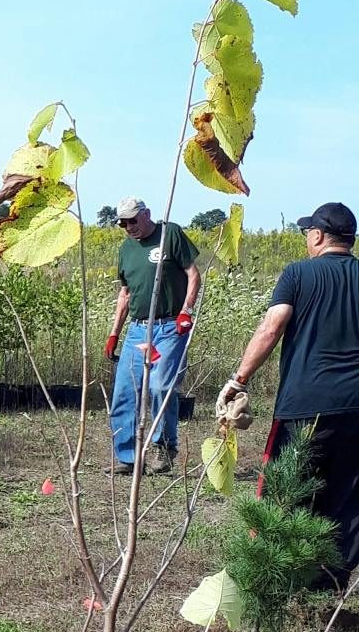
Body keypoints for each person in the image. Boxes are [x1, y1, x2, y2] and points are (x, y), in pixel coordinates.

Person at [221, 201, 359, 587]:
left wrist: (239, 379)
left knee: (283, 494)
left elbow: (271, 327)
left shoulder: (298, 274)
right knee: (346, 500)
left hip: (305, 404)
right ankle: (326, 587)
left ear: (317, 236)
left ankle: (269, 585)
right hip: (356, 408)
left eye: (307, 234)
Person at [105, 198, 201, 474]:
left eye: (132, 220)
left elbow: (193, 274)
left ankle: (164, 446)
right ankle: (128, 457)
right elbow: (125, 294)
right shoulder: (125, 250)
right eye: (122, 223)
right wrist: (114, 334)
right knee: (124, 391)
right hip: (137, 328)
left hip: (171, 326)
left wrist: (187, 311)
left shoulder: (170, 233)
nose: (128, 227)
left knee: (160, 386)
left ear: (146, 215)